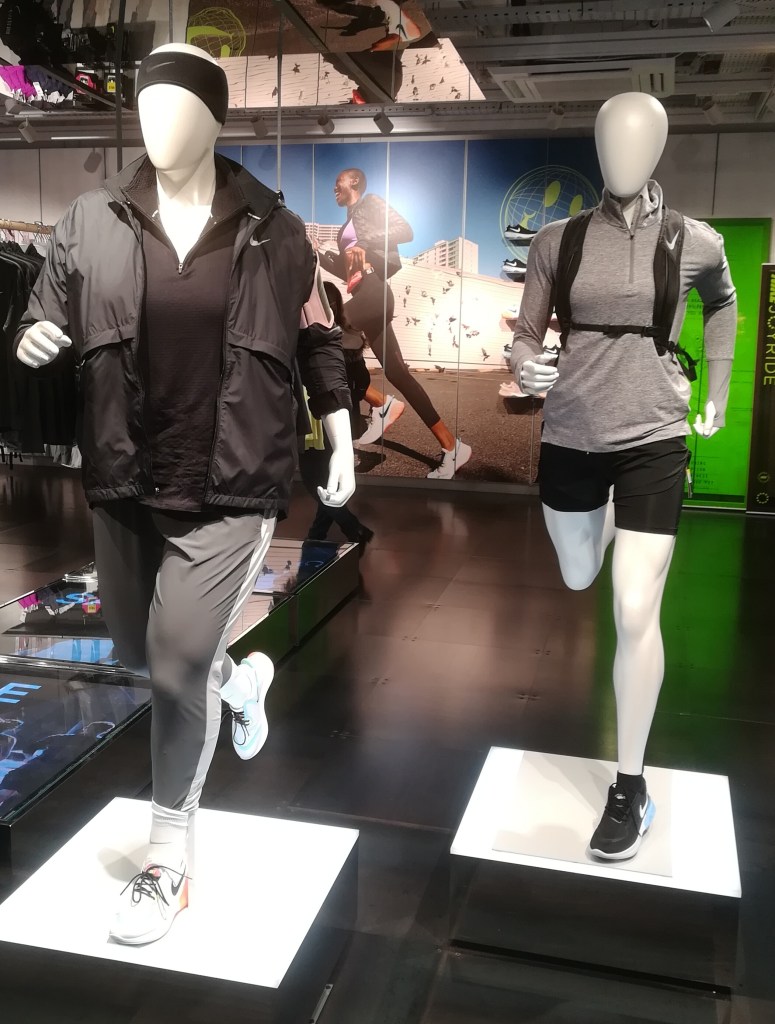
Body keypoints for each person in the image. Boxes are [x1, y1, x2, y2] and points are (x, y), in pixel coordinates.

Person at [14, 43, 355, 944]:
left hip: (235, 482)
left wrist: (340, 434)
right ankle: (240, 685)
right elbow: (43, 307)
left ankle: (169, 858)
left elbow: (319, 339)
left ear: (214, 118)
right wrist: (33, 335)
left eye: (177, 106)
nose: (156, 124)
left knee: (172, 668)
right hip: (126, 476)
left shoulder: (276, 230)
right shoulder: (90, 218)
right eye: (144, 106)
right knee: (144, 652)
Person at [511, 92, 736, 862]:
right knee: (578, 575)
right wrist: (523, 364)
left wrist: (717, 389)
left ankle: (628, 786)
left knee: (635, 607)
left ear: (659, 148)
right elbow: (524, 333)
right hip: (572, 430)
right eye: (609, 139)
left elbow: (722, 303)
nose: (622, 154)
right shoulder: (557, 240)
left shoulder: (693, 240)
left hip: (653, 435)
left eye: (637, 140)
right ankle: (607, 517)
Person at [317, 167, 472, 479]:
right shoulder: (346, 224)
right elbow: (347, 270)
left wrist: (364, 241)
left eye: (338, 182)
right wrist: (317, 255)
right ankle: (452, 446)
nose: (334, 187)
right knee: (398, 373)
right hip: (365, 293)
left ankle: (380, 404)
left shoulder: (370, 203)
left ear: (354, 181)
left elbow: (404, 230)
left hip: (375, 292)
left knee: (323, 341)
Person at [300, 281, 374, 551]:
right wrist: (350, 398)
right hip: (340, 414)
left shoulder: (313, 337)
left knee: (316, 478)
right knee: (328, 478)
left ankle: (347, 528)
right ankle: (325, 531)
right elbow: (363, 380)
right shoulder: (351, 337)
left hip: (316, 414)